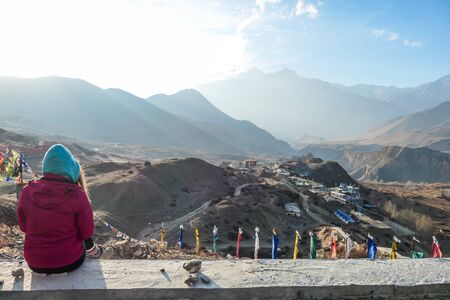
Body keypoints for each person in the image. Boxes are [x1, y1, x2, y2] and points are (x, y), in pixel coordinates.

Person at [17, 144, 101, 274]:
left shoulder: (26, 192)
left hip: (35, 262)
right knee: (83, 246)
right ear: (71, 170)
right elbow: (85, 232)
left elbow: (23, 227)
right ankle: (95, 252)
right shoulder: (78, 194)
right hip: (70, 262)